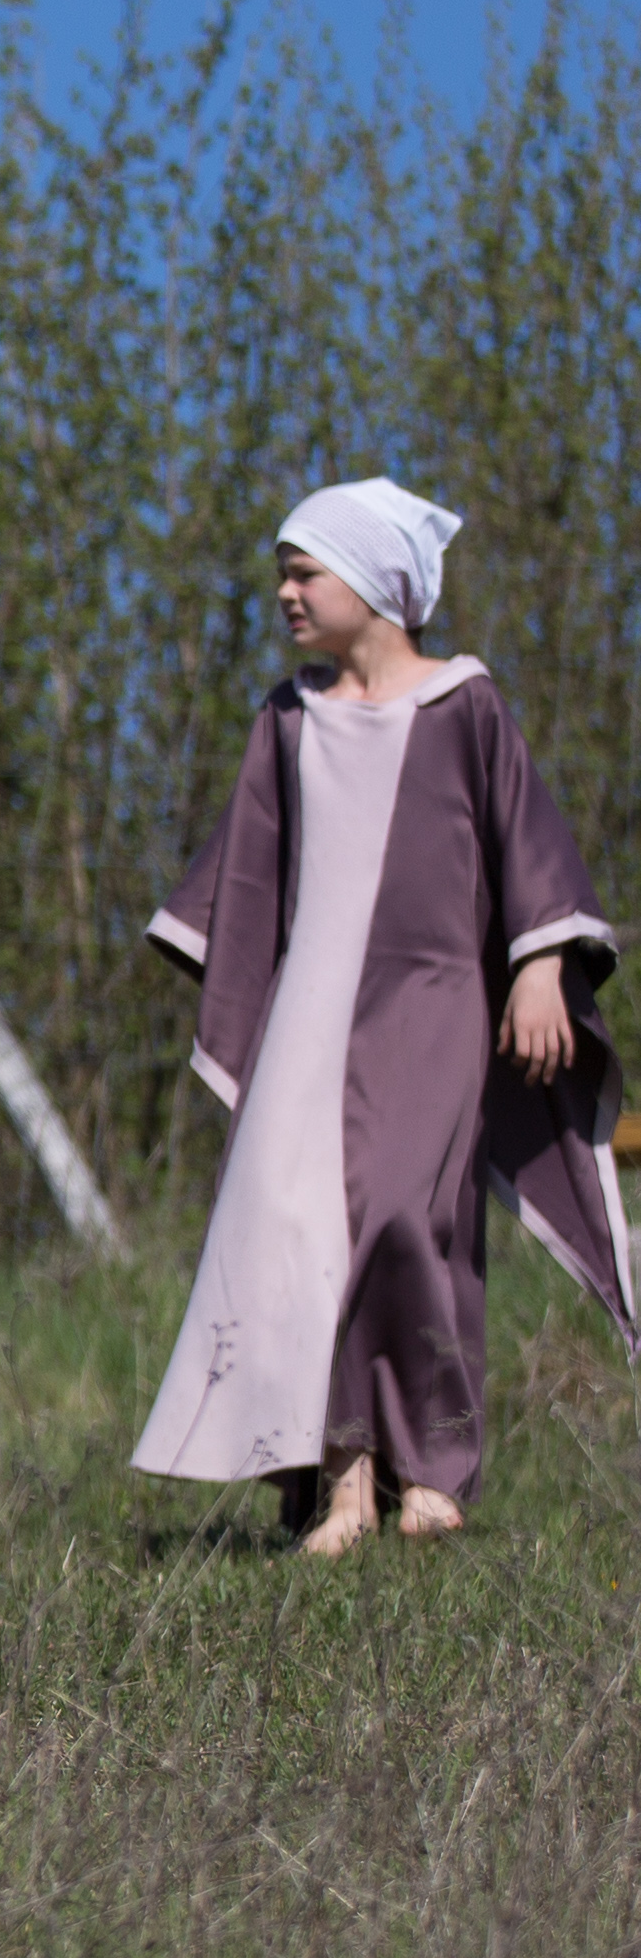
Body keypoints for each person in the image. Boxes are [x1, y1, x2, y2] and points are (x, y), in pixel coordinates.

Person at [133, 475, 634, 1554]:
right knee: (306, 1231)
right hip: (308, 1018)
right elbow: (247, 876)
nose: (285, 593)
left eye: (304, 572)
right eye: (282, 573)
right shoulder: (288, 719)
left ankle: (435, 1465)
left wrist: (541, 961)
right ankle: (347, 1481)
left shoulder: (464, 704)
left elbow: (528, 842)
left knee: (408, 1216)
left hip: (433, 1005)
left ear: (372, 581)